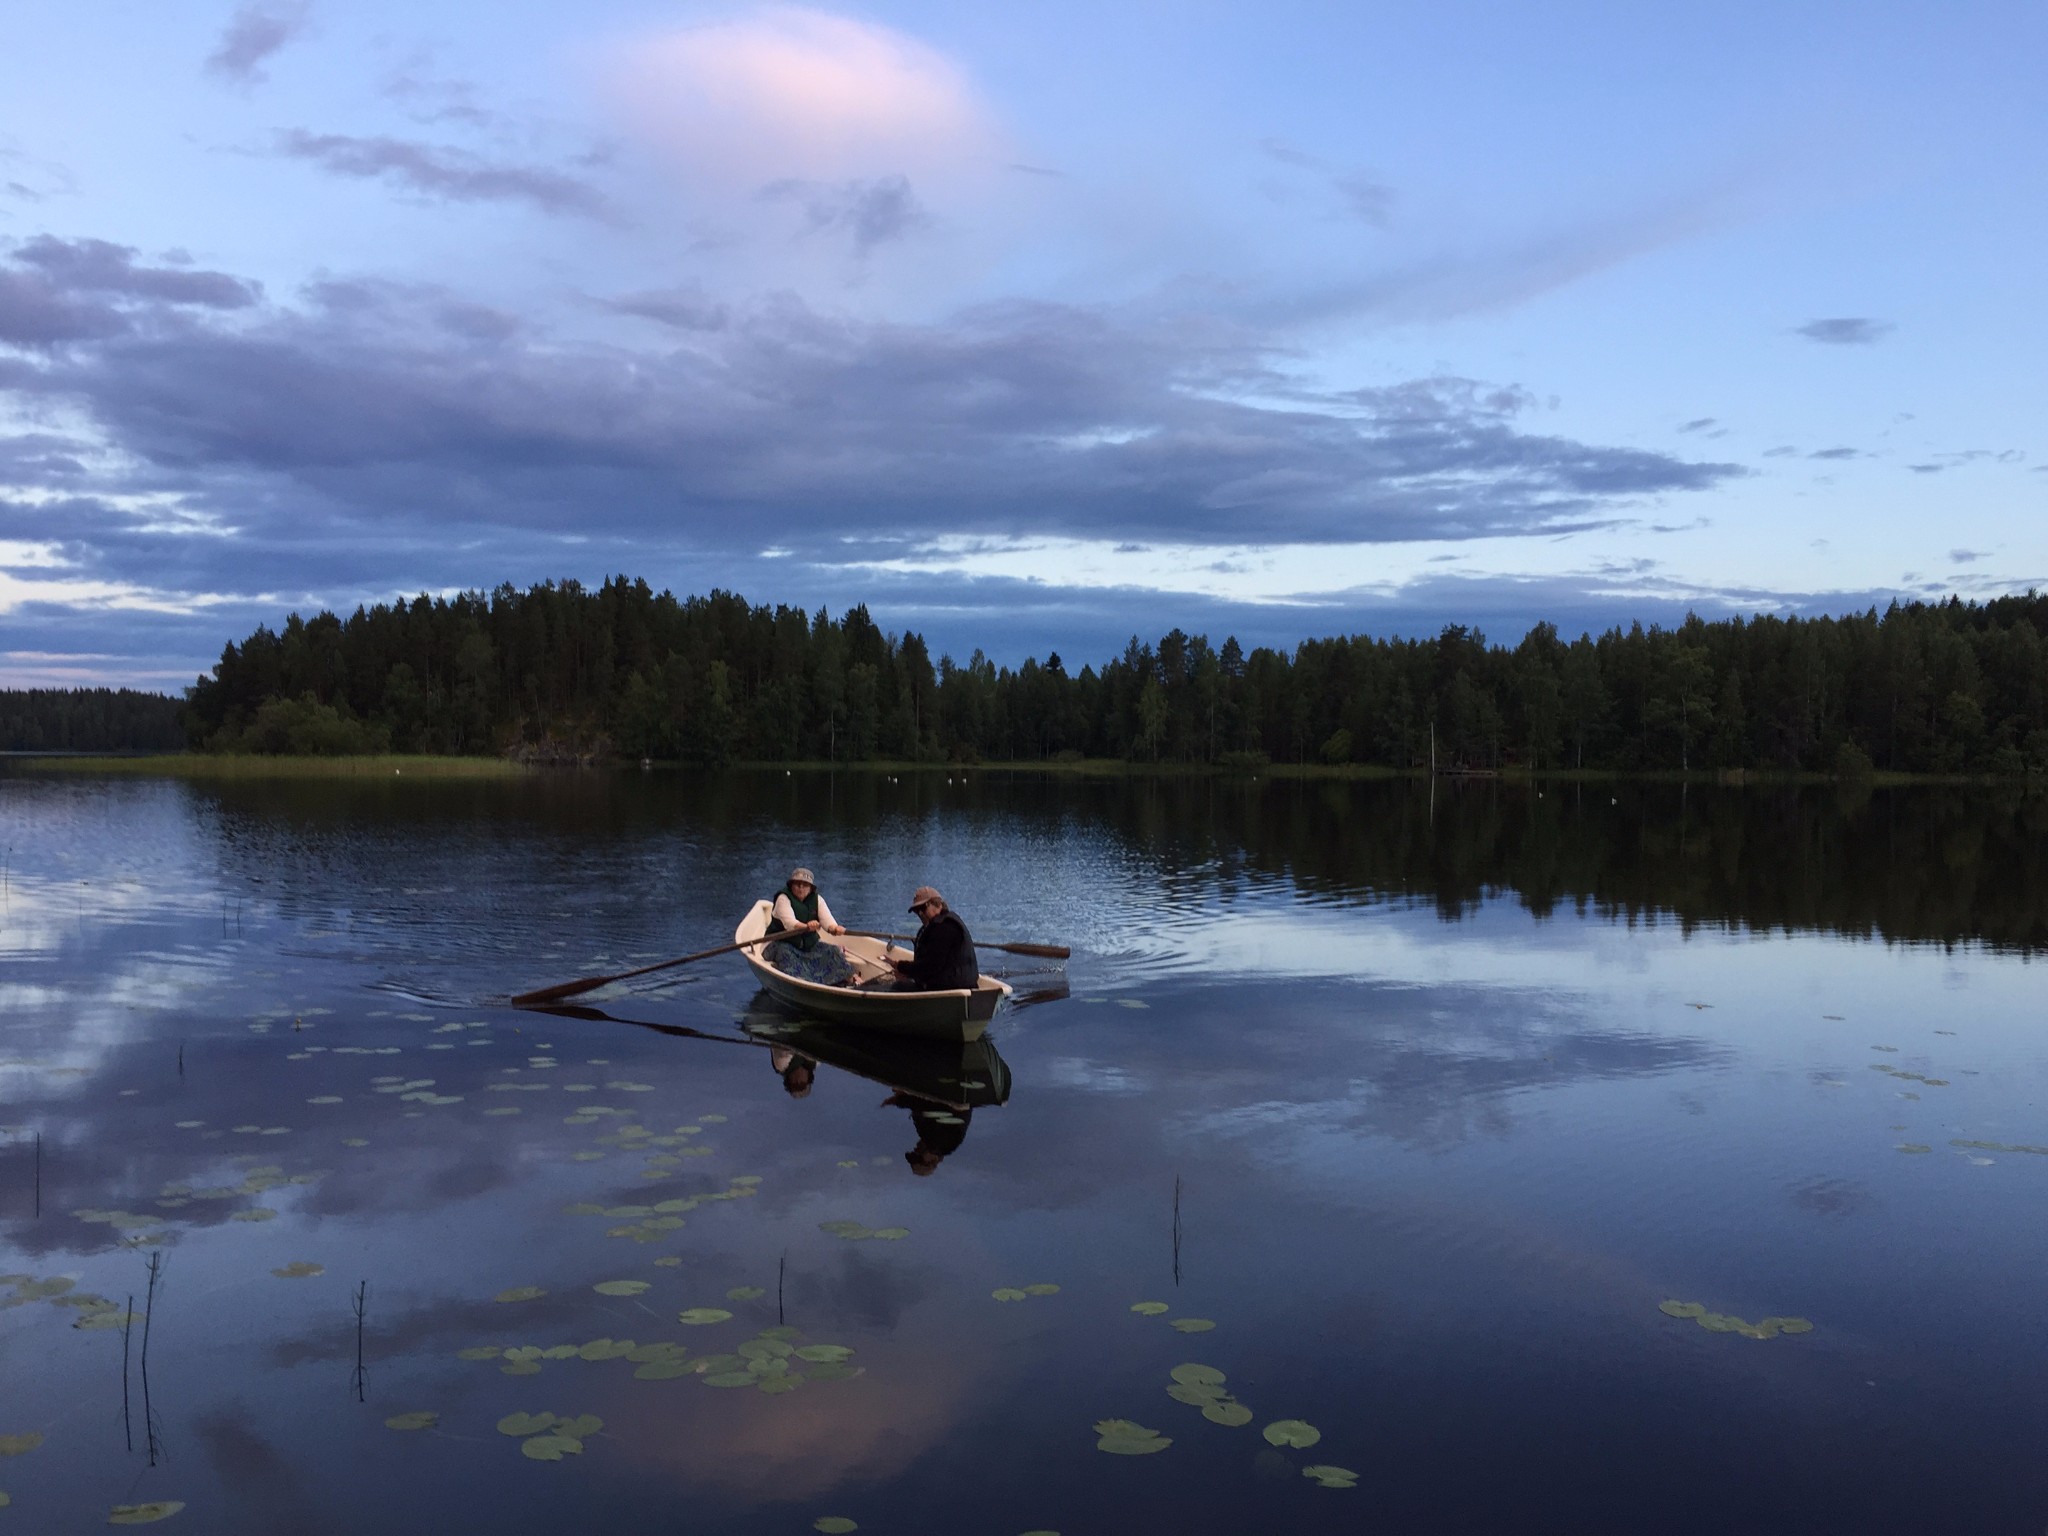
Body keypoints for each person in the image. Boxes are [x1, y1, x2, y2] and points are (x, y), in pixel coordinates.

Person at [764, 867, 856, 986]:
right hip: (782, 943)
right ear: (791, 885)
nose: (801, 888)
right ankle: (803, 983)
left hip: (807, 946)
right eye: (797, 884)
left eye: (805, 885)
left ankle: (845, 978)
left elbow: (827, 921)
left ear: (811, 888)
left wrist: (835, 928)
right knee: (786, 955)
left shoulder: (817, 899)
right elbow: (789, 923)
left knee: (833, 951)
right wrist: (806, 926)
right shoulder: (783, 898)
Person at [889, 886, 980, 992]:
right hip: (961, 984)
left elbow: (930, 966)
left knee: (897, 987)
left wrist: (901, 967)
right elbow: (934, 964)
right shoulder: (947, 922)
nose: (920, 914)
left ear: (932, 904)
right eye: (916, 911)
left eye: (921, 909)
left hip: (950, 988)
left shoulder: (943, 928)